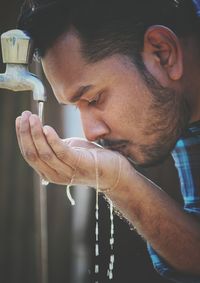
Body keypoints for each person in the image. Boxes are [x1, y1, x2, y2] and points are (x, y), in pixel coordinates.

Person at [15, 0, 200, 282]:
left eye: (94, 98)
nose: (90, 134)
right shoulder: (176, 104)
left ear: (162, 53)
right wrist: (118, 182)